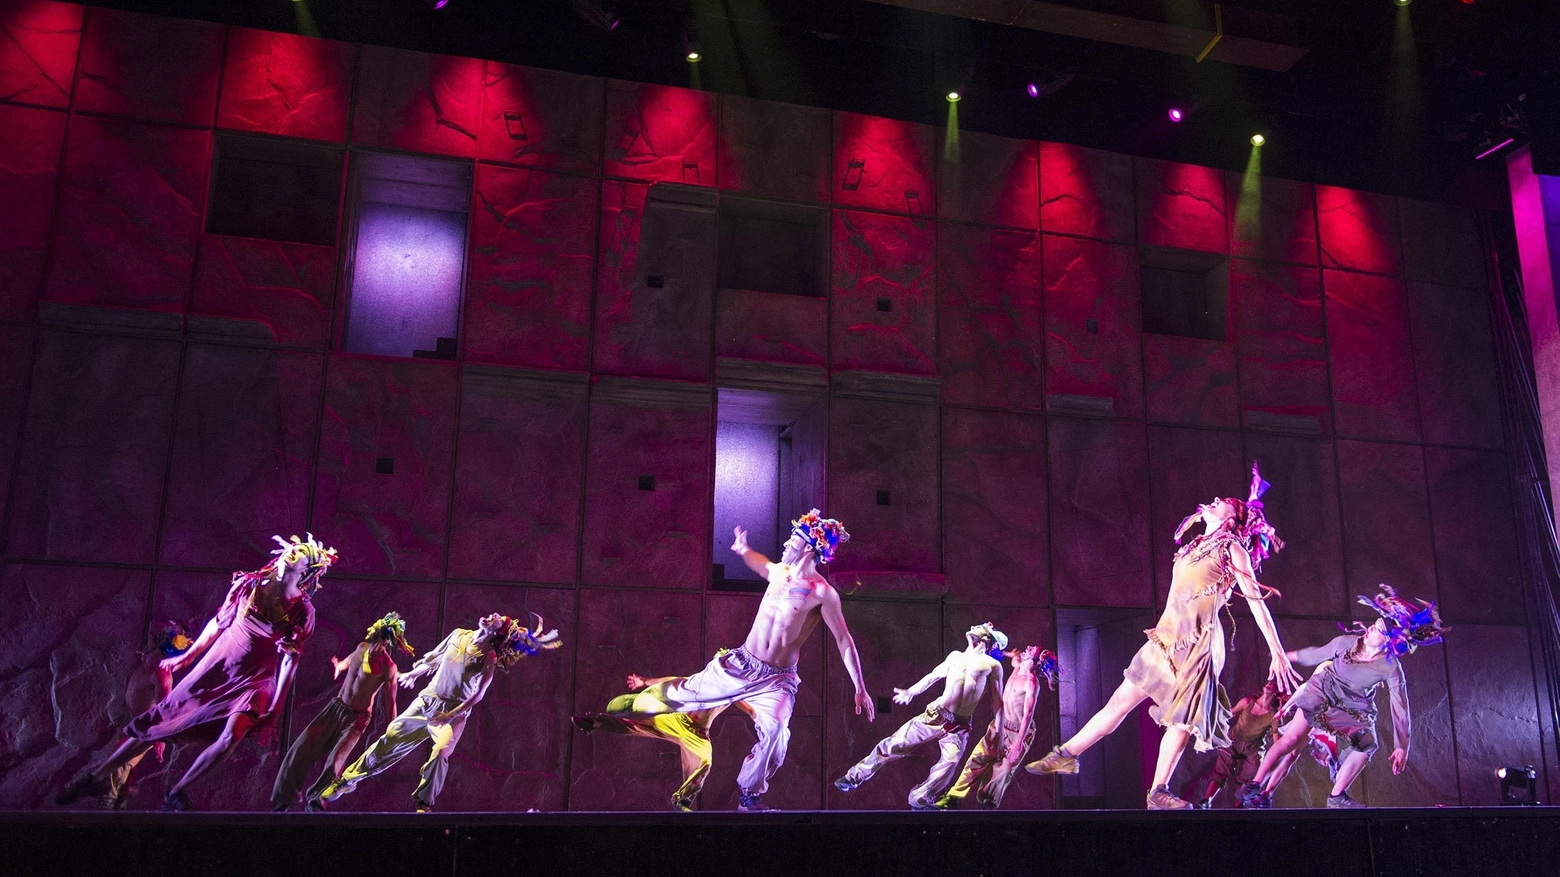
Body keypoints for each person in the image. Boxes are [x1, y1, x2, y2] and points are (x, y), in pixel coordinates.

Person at [1025, 463, 1301, 810]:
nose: (1214, 500)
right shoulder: (1194, 546)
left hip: (1199, 646)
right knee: (1118, 704)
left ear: (1232, 520)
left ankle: (1158, 791)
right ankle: (1066, 754)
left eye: (1224, 502)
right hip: (1166, 640)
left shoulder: (1233, 550)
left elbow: (1258, 604)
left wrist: (1276, 650)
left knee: (1183, 720)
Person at [600, 509, 875, 812]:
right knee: (682, 695)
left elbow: (843, 640)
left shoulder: (823, 593)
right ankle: (634, 703)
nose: (785, 543)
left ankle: (750, 795)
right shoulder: (779, 573)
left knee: (776, 734)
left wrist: (859, 686)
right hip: (742, 664)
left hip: (777, 680)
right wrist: (743, 550)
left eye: (793, 539)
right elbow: (759, 564)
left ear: (808, 547)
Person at [57, 535, 336, 811]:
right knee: (159, 722)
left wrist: (274, 711)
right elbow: (218, 623)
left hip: (254, 680)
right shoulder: (248, 586)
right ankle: (96, 778)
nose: (292, 551)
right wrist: (186, 657)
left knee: (233, 734)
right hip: (216, 668)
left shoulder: (302, 612)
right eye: (292, 548)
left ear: (307, 570)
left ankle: (176, 793)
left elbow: (289, 661)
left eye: (300, 552)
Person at [318, 613, 560, 812]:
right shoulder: (458, 635)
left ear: (498, 633)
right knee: (388, 742)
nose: (493, 615)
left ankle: (423, 804)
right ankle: (347, 781)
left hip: (452, 714)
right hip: (427, 701)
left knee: (439, 753)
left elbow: (478, 695)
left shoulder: (489, 658)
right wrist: (412, 675)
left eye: (499, 619)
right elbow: (434, 659)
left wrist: (450, 715)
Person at [1238, 585, 1446, 809]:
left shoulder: (1390, 667)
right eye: (1373, 626)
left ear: (1388, 640)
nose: (1369, 631)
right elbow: (1315, 654)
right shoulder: (1347, 643)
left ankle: (1337, 797)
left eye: (1376, 630)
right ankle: (1256, 785)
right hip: (1321, 693)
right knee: (1290, 741)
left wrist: (1401, 746)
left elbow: (1400, 705)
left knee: (1367, 745)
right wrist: (1284, 657)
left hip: (1350, 708)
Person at [835, 623, 1007, 810]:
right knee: (894, 744)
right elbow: (933, 676)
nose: (973, 626)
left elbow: (998, 703)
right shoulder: (955, 657)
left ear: (988, 639)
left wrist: (999, 733)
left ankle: (920, 798)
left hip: (959, 726)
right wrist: (911, 692)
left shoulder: (992, 665)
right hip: (936, 715)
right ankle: (854, 776)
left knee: (949, 764)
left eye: (979, 627)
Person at [271, 611, 414, 811]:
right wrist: (339, 665)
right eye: (377, 635)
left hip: (356, 720)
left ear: (388, 641)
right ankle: (284, 798)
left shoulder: (387, 667)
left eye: (383, 638)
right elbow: (349, 661)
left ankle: (316, 802)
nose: (377, 640)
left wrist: (393, 730)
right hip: (335, 708)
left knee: (335, 761)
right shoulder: (361, 647)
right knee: (301, 748)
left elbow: (390, 700)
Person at [573, 673, 728, 811]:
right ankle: (595, 723)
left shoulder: (732, 692)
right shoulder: (699, 681)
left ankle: (681, 800)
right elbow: (669, 681)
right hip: (678, 721)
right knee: (640, 726)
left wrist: (754, 719)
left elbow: (749, 706)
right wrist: (645, 682)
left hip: (697, 734)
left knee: (705, 762)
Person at [936, 646, 1059, 810]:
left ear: (1035, 659)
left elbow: (1028, 716)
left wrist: (1018, 743)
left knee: (1004, 767)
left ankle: (988, 802)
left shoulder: (1031, 683)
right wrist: (1001, 651)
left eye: (1032, 649)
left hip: (1019, 731)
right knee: (977, 758)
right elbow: (1011, 655)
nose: (1027, 647)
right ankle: (953, 796)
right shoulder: (1017, 665)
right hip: (1000, 725)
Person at [97, 622, 194, 809]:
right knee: (122, 773)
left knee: (118, 766)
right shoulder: (145, 666)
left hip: (146, 732)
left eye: (152, 638)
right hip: (135, 727)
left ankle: (105, 809)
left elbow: (164, 708)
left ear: (160, 643)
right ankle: (116, 808)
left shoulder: (161, 672)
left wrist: (159, 738)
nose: (149, 639)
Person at [1194, 681, 1284, 808]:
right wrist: (1211, 723)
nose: (1269, 684)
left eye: (1273, 685)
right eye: (1268, 683)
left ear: (1276, 693)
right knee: (1221, 770)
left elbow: (1277, 741)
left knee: (1250, 777)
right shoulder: (1247, 702)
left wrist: (1281, 753)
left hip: (1253, 748)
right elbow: (1229, 714)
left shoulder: (1274, 715)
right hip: (1233, 740)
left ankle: (1239, 807)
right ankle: (1207, 800)